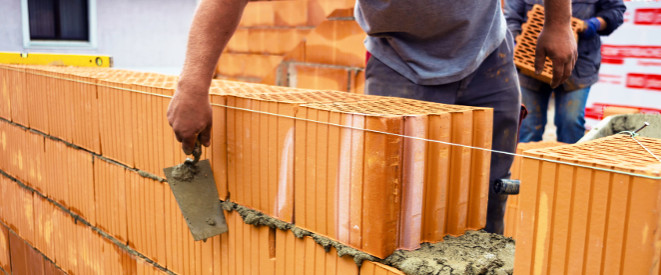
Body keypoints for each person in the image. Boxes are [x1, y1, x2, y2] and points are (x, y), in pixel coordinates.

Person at [167, 0, 578, 235]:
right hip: (397, 59)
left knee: (490, 194)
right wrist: (192, 84)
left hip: (487, 52)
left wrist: (558, 22)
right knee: (395, 204)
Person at [505, 0, 626, 143]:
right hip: (530, 62)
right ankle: (527, 163)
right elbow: (511, 17)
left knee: (571, 123)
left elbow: (615, 11)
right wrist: (518, 41)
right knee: (528, 128)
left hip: (579, 65)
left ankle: (569, 163)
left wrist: (593, 24)